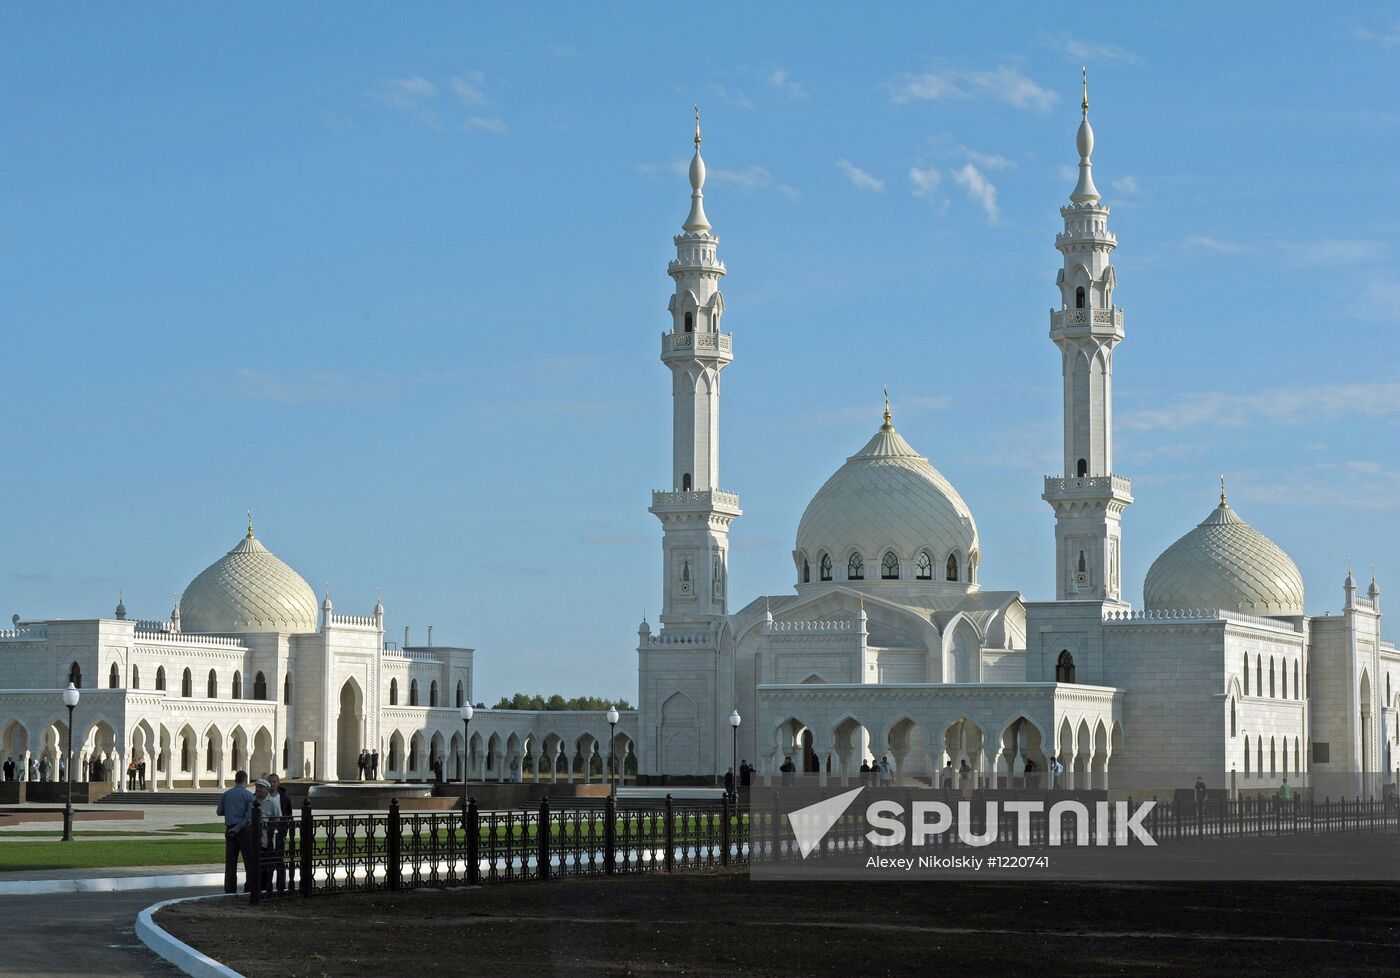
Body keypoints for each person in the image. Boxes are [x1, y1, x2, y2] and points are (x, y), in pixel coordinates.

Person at [216, 770, 256, 894]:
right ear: (246, 780)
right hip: (243, 831)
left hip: (230, 830)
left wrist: (230, 812)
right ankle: (249, 888)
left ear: (235, 780)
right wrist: (238, 827)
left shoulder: (227, 794)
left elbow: (219, 811)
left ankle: (230, 889)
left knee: (230, 863)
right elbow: (249, 817)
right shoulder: (248, 795)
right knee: (248, 862)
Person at [252, 778, 280, 895]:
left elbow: (278, 818)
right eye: (257, 787)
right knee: (254, 866)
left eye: (261, 787)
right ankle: (254, 888)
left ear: (266, 789)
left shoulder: (272, 802)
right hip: (253, 840)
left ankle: (266, 888)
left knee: (267, 866)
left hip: (267, 841)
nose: (258, 789)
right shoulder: (252, 800)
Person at [267, 773, 293, 892]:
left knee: (279, 859)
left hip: (279, 833)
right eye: (270, 782)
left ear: (278, 783)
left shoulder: (283, 797)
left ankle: (281, 885)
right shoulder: (265, 797)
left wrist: (284, 829)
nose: (272, 784)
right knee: (268, 860)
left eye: (274, 782)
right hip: (266, 834)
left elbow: (288, 814)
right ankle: (267, 885)